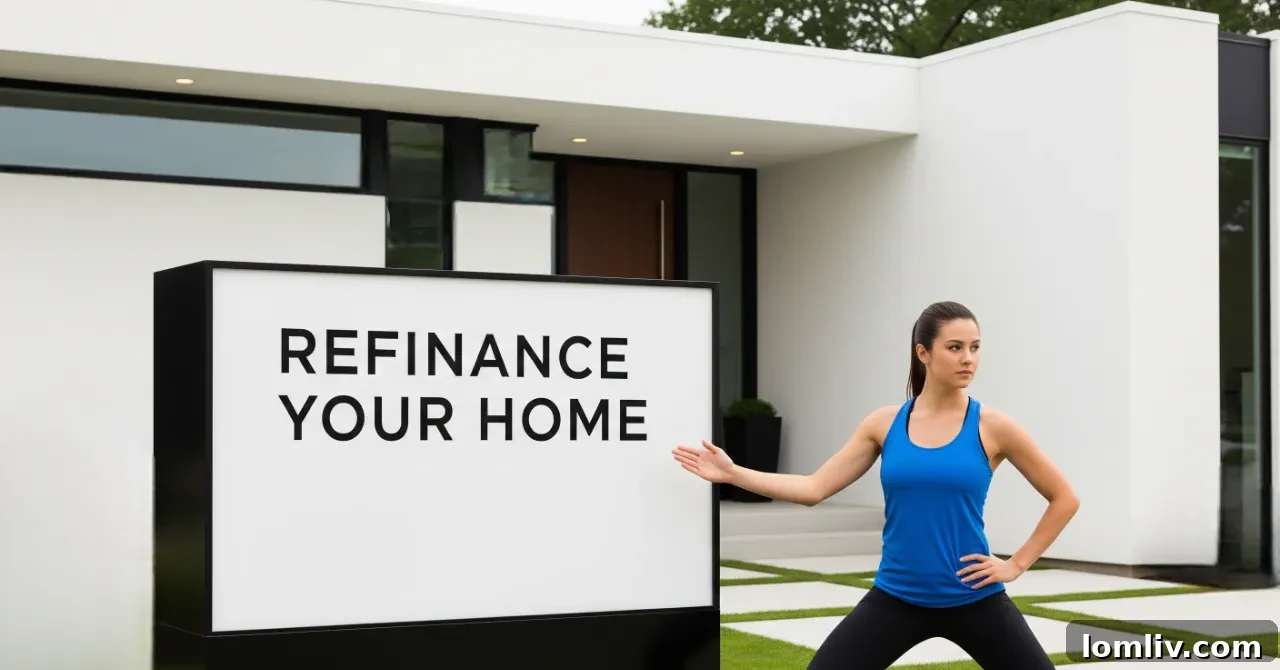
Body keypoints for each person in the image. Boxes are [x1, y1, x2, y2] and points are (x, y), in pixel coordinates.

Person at [673, 301, 1079, 670]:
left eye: (975, 347)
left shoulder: (994, 426)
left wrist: (1016, 563)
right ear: (924, 353)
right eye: (954, 347)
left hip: (975, 598)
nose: (968, 359)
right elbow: (814, 488)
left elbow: (1064, 498)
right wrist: (733, 473)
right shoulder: (884, 424)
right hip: (897, 597)